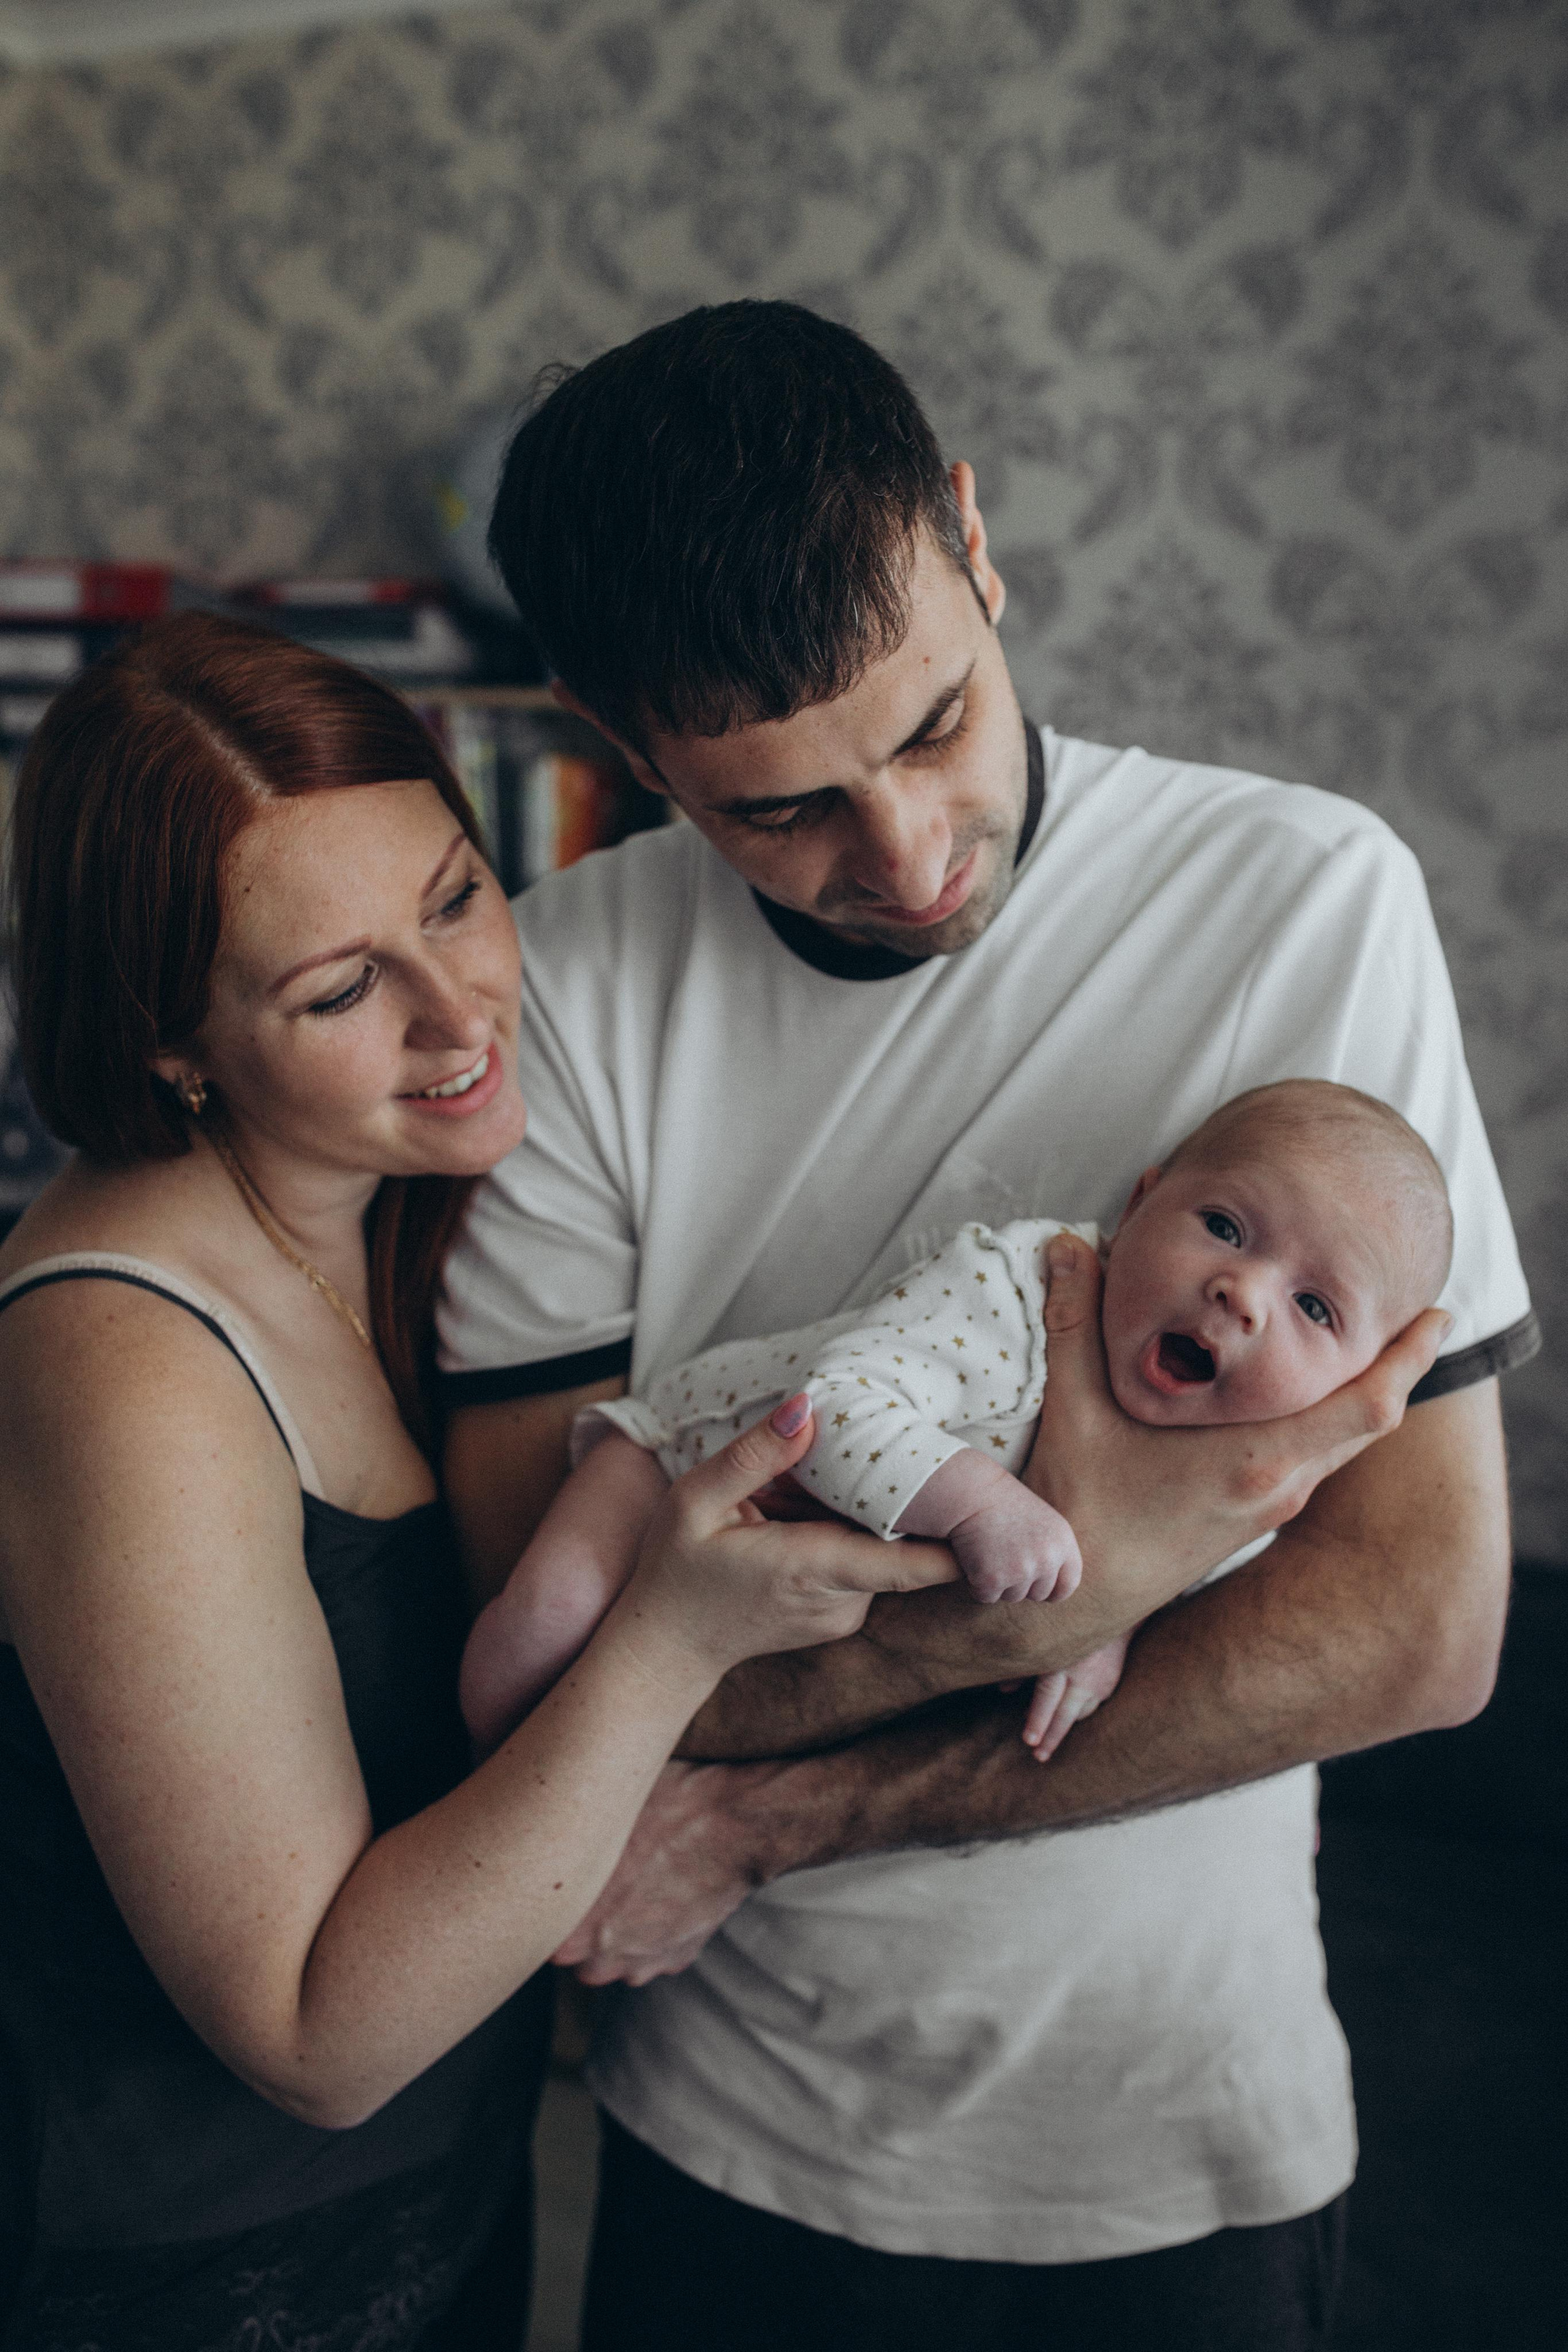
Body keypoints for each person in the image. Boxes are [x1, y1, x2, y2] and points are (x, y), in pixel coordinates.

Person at [439, 303, 1537, 2352]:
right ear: (605, 730)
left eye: (933, 723)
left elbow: (1417, 1625)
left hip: (1176, 2150)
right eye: (777, 813)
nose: (911, 859)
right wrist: (1085, 1590)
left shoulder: (1303, 896)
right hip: (721, 2141)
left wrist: (775, 1812)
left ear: (969, 532)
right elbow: (546, 1652)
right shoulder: (551, 998)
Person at [0, 612, 958, 2351]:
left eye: (454, 897)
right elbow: (315, 2037)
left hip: (447, 2218)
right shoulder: (121, 1363)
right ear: (172, 1043)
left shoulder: (390, 1221)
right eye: (341, 986)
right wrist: (665, 1643)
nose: (462, 1012)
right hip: (197, 2286)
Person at [461, 1078, 1455, 1763]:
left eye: (1314, 1309)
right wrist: (980, 1503)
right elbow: (835, 1407)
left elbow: (1154, 1569)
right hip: (672, 1465)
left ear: (1354, 1383)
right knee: (546, 1623)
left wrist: (1100, 1635)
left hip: (759, 1616)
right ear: (1142, 1203)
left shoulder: (1245, 1476)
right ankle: (481, 1785)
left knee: (649, 1727)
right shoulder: (1015, 1283)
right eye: (1224, 1228)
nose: (1242, 1291)